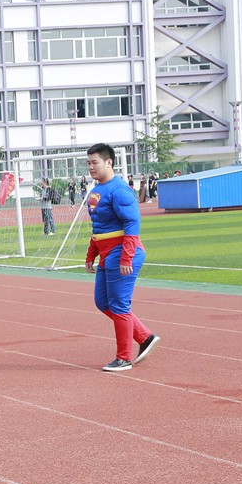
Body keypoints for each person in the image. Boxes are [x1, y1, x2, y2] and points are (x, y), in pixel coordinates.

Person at [84, 144, 160, 373]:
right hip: (106, 253)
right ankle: (145, 337)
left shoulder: (120, 190)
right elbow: (99, 225)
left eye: (95, 162)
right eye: (88, 163)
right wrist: (91, 253)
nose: (91, 167)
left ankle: (123, 358)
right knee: (103, 302)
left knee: (119, 305)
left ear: (109, 162)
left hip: (122, 253)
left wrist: (126, 257)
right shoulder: (97, 189)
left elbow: (132, 223)